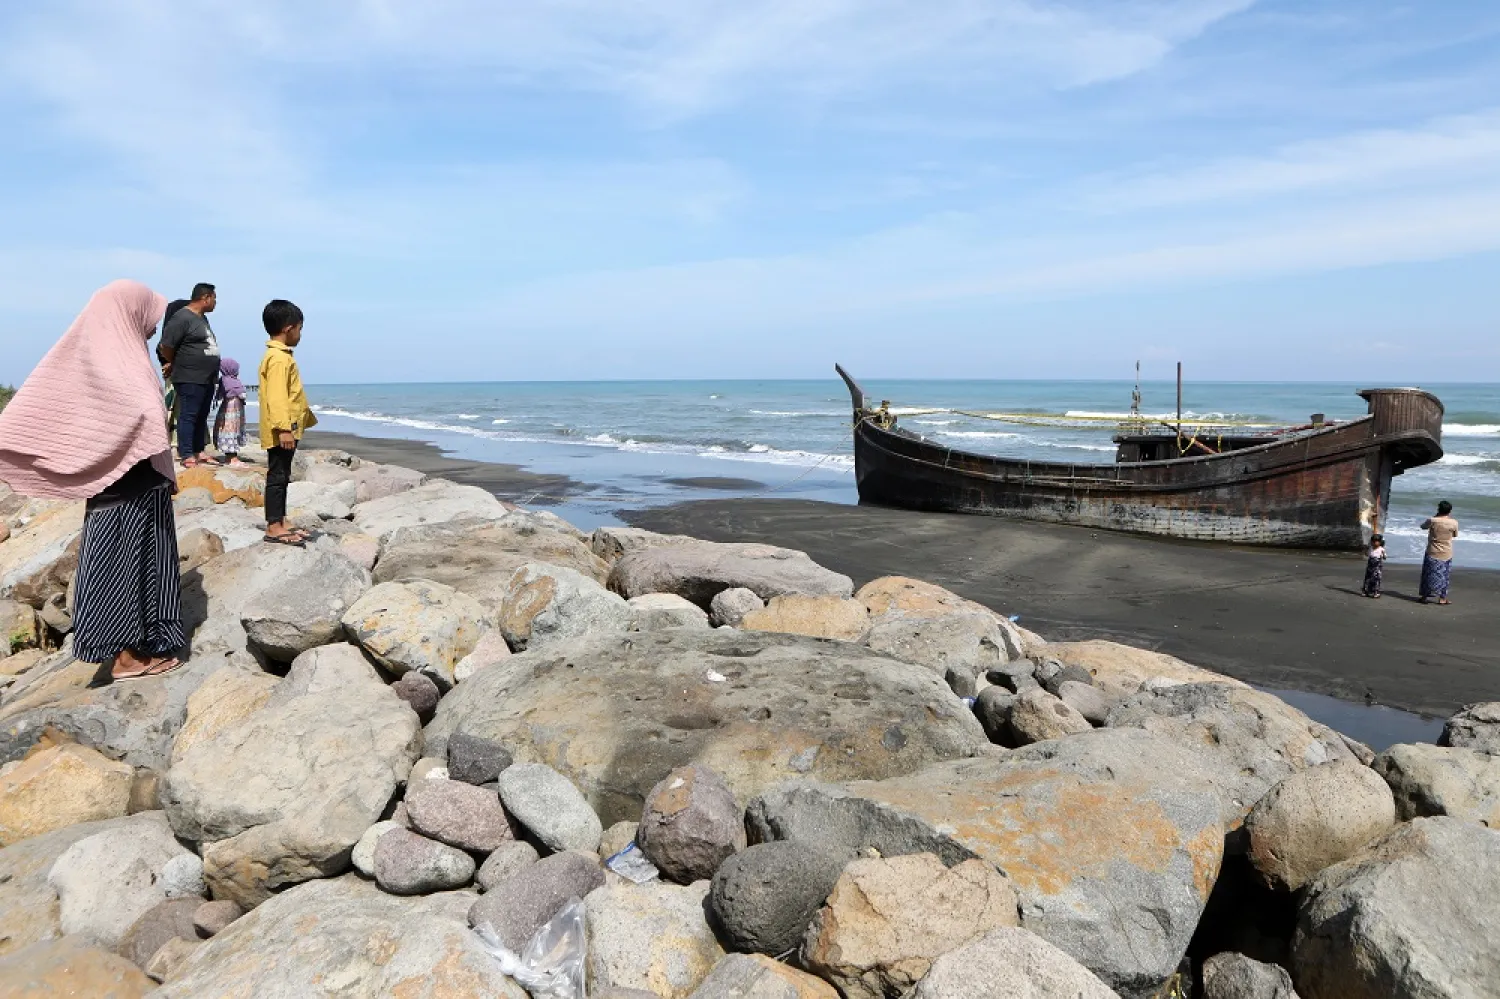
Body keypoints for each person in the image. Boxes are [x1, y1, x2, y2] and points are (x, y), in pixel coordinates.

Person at [0, 280, 184, 679]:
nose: (154, 327)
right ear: (127, 313)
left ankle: (145, 643)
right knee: (122, 566)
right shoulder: (119, 362)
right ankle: (125, 657)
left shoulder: (99, 355)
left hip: (127, 484)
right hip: (127, 487)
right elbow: (142, 416)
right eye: (148, 316)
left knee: (139, 565)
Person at [258, 299, 317, 545]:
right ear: (288, 328)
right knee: (278, 475)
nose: (300, 334)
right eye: (300, 329)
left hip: (285, 426)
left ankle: (280, 519)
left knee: (283, 473)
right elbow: (278, 397)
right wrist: (284, 429)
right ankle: (273, 525)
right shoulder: (279, 359)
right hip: (282, 428)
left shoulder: (278, 356)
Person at [159, 283, 221, 468]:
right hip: (189, 376)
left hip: (206, 377)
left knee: (201, 415)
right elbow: (166, 345)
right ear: (206, 298)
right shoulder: (182, 317)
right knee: (188, 414)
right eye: (214, 298)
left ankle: (199, 450)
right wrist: (175, 361)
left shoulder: (201, 318)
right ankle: (186, 454)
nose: (215, 303)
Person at [1419, 501, 1459, 605]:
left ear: (1438, 509)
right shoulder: (1454, 522)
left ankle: (1424, 597)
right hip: (1446, 552)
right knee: (1445, 576)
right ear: (1449, 511)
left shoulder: (1432, 520)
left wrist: (1435, 517)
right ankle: (1442, 598)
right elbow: (1455, 535)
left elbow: (1422, 526)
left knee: (1428, 574)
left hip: (1432, 550)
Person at [213, 358, 248, 465]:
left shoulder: (223, 380)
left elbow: (218, 396)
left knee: (226, 428)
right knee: (233, 429)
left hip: (226, 407)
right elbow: (242, 394)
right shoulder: (233, 381)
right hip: (234, 409)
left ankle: (229, 456)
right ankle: (232, 457)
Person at [1361, 533, 1386, 598]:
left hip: (1377, 566)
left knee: (1376, 578)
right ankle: (1365, 591)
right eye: (1373, 541)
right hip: (1370, 565)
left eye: (1376, 542)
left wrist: (1383, 555)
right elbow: (1367, 554)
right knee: (1368, 578)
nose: (1374, 543)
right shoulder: (1371, 548)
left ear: (1380, 542)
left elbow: (1384, 557)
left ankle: (1375, 592)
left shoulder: (1381, 549)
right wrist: (1365, 550)